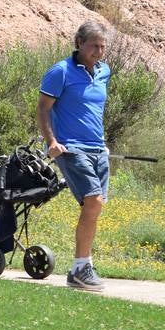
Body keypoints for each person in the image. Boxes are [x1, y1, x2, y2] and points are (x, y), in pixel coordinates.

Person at [37, 21, 111, 291]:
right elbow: (43, 109)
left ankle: (81, 268)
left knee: (96, 206)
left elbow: (93, 111)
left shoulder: (104, 72)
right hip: (70, 149)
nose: (99, 52)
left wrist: (102, 144)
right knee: (92, 201)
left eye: (103, 47)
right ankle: (81, 268)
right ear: (78, 42)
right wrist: (52, 142)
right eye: (94, 45)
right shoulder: (61, 72)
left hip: (97, 149)